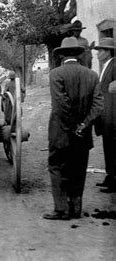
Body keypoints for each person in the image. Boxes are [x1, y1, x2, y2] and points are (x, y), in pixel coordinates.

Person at [44, 37, 103, 220]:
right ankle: (76, 208)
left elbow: (61, 105)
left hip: (61, 131)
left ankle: (61, 209)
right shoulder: (92, 75)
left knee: (57, 167)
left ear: (61, 55)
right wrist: (83, 125)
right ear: (78, 54)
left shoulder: (56, 74)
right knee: (78, 168)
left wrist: (71, 127)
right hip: (82, 134)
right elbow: (98, 105)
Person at [92, 37, 115, 193]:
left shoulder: (114, 66)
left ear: (108, 52)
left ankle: (114, 180)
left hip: (112, 115)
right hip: (106, 115)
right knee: (108, 147)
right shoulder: (107, 66)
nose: (97, 54)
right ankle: (110, 177)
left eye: (100, 50)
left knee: (113, 148)